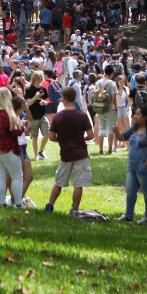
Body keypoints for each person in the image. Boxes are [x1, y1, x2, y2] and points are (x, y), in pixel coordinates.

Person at [45, 86, 94, 214]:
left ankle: (50, 206)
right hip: (81, 153)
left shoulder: (57, 117)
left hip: (65, 154)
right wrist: (81, 138)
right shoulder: (82, 116)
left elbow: (51, 137)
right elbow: (91, 135)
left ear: (64, 99)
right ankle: (75, 209)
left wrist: (62, 140)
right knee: (78, 184)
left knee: (58, 182)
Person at [114, 104, 147, 224]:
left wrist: (146, 165)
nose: (135, 116)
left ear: (145, 117)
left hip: (146, 165)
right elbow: (122, 137)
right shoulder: (134, 128)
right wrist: (115, 130)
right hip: (132, 165)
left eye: (138, 114)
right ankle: (128, 215)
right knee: (130, 190)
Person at [0, 87, 24, 208]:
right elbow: (16, 132)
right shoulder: (9, 114)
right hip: (8, 149)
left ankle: (2, 203)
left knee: (1, 176)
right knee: (17, 177)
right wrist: (22, 126)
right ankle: (18, 204)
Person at [24, 71, 49, 161]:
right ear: (34, 78)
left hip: (42, 115)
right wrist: (36, 96)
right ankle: (36, 155)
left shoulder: (43, 88)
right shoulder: (29, 89)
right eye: (38, 77)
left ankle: (41, 151)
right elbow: (29, 103)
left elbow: (46, 100)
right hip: (33, 116)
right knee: (35, 137)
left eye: (40, 77)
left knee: (47, 133)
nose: (40, 79)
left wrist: (44, 102)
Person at [94, 65, 119, 154]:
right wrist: (116, 107)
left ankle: (100, 150)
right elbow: (114, 97)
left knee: (101, 129)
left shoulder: (98, 82)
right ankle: (109, 150)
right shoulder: (112, 83)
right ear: (112, 73)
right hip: (109, 108)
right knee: (110, 130)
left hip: (100, 107)